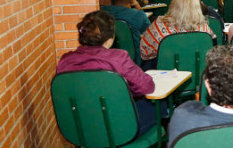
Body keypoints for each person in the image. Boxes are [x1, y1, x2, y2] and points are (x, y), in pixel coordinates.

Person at [56, 10, 157, 140]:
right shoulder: (119, 58)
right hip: (118, 128)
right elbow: (146, 87)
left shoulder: (65, 61)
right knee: (161, 105)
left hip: (79, 130)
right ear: (111, 38)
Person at [140, 0, 215, 63]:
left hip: (164, 70)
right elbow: (212, 50)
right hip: (197, 70)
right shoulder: (204, 29)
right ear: (198, 8)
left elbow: (144, 53)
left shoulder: (158, 25)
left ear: (173, 4)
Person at [102, 0, 151, 64]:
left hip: (106, 59)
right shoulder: (138, 15)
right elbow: (148, 30)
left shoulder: (101, 11)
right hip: (133, 60)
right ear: (132, 0)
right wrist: (138, 7)